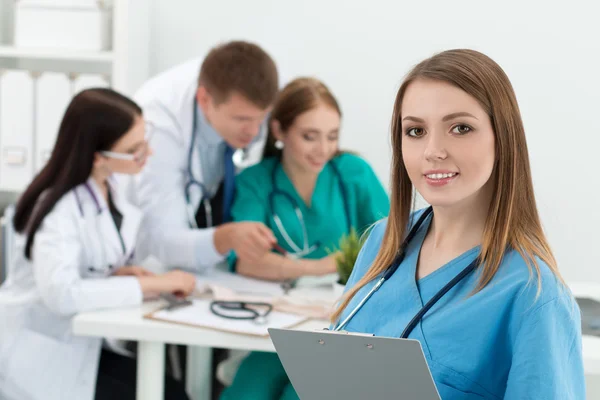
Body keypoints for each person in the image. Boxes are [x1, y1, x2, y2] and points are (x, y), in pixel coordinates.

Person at [329, 49, 585, 399]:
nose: (433, 150)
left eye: (460, 128)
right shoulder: (381, 241)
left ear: (503, 138)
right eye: (415, 131)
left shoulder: (533, 296)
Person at [0, 88, 196, 400]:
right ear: (97, 157)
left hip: (82, 346)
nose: (147, 154)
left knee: (171, 392)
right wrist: (152, 284)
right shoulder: (57, 208)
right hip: (41, 355)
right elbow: (61, 294)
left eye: (145, 142)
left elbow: (82, 267)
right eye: (135, 149)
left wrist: (116, 276)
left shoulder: (106, 188)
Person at [220, 77, 390, 399]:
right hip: (276, 323)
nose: (323, 149)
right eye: (310, 137)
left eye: (332, 136)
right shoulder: (256, 181)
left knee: (299, 394)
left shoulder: (352, 172)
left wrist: (282, 265)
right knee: (248, 392)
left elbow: (394, 245)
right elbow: (245, 261)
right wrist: (327, 266)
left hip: (339, 326)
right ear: (280, 131)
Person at [131, 40, 280, 272]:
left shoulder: (248, 94)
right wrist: (227, 238)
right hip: (149, 262)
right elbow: (162, 239)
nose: (253, 131)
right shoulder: (158, 125)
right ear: (204, 100)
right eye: (242, 120)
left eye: (262, 118)